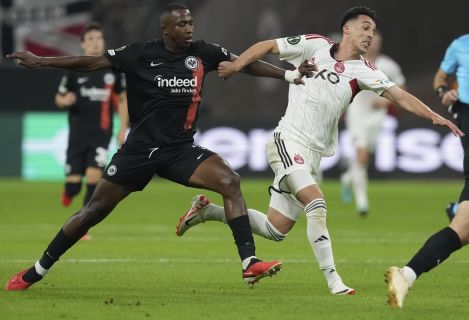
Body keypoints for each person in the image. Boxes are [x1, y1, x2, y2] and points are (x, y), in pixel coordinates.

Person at [4, 3, 311, 291]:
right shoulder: (140, 54)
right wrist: (42, 61)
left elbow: (244, 64)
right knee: (93, 211)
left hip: (179, 149)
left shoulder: (203, 52)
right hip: (140, 150)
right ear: (166, 29)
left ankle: (249, 263)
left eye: (191, 22)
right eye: (182, 24)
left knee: (229, 181)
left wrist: (288, 74)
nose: (189, 28)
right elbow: (92, 62)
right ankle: (38, 270)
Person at [175, 6, 463, 295]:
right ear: (347, 29)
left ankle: (206, 211)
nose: (369, 35)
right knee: (317, 201)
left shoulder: (365, 71)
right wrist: (237, 66)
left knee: (275, 229)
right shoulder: (315, 45)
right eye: (365, 27)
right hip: (287, 141)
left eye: (373, 31)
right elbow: (268, 45)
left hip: (313, 154)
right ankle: (333, 280)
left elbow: (399, 95)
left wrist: (434, 115)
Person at [385, 1, 469, 308]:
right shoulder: (461, 46)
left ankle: (406, 275)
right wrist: (446, 93)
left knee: (464, 230)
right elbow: (441, 78)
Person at [55, 23, 128, 242]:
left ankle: (82, 225)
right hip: (77, 135)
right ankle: (69, 192)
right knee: (74, 184)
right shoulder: (74, 69)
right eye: (91, 39)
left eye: (99, 38)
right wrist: (64, 100)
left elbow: (123, 100)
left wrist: (122, 128)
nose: (96, 42)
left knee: (95, 176)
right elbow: (58, 97)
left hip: (101, 133)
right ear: (83, 44)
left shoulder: (112, 69)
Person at [340, 31, 406, 216]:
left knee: (365, 156)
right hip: (357, 113)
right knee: (361, 154)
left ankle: (348, 177)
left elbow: (401, 87)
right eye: (370, 41)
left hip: (377, 115)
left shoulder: (388, 65)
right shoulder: (352, 63)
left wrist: (385, 101)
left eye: (376, 42)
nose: (372, 44)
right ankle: (362, 203)